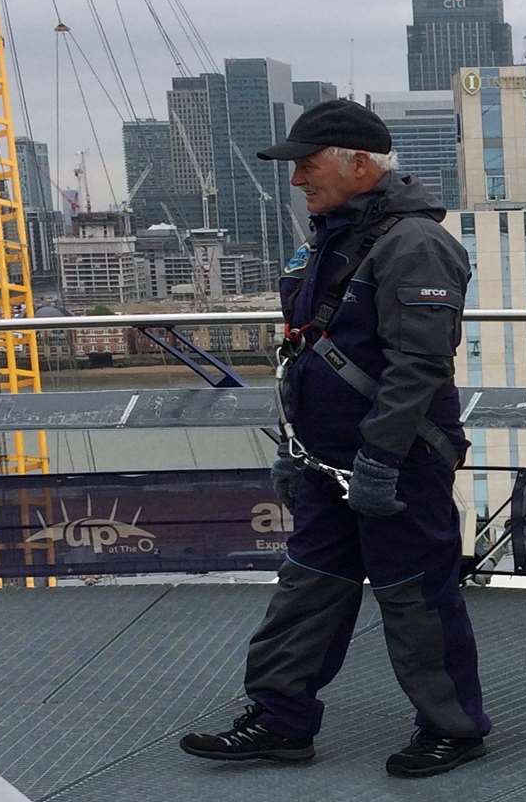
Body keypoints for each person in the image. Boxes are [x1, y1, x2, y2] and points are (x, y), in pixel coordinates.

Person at [179, 98, 490, 779]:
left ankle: (452, 728)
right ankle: (280, 720)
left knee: (414, 595)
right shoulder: (334, 236)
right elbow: (309, 351)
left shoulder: (415, 244)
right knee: (309, 586)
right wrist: (295, 450)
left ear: (358, 163)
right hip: (327, 459)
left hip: (397, 462)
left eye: (307, 165)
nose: (296, 180)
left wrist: (379, 460)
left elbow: (418, 366)